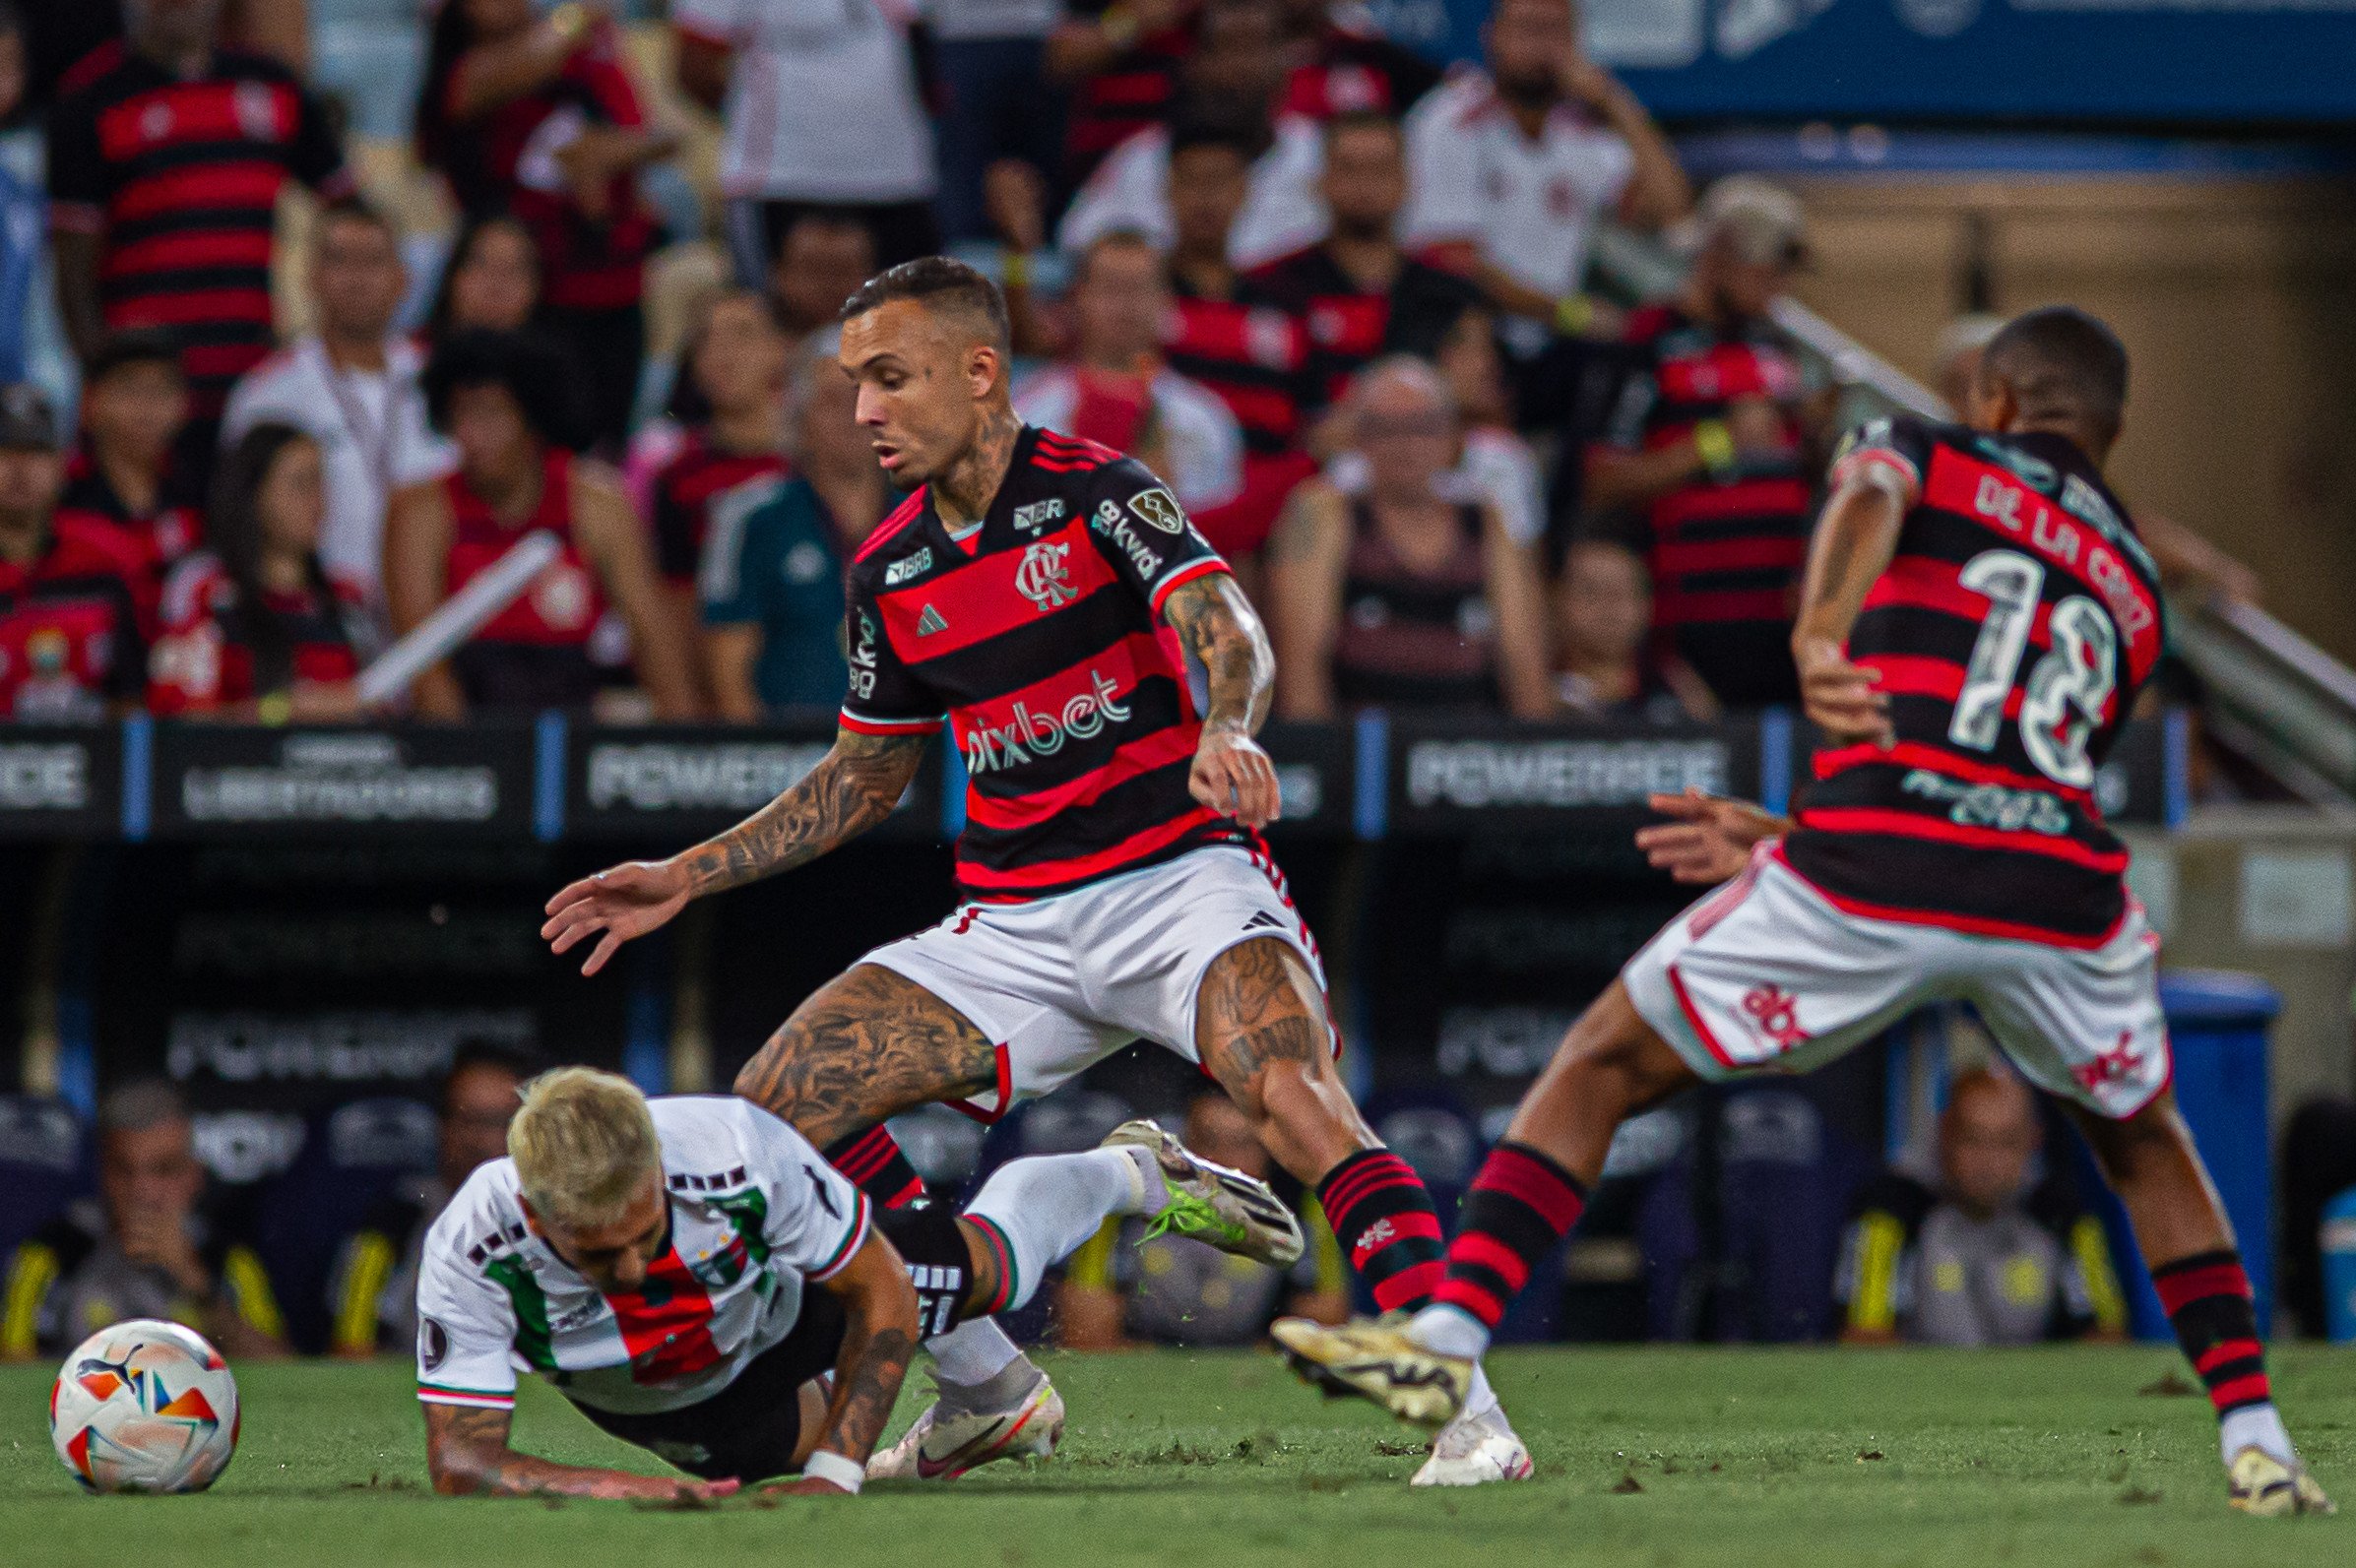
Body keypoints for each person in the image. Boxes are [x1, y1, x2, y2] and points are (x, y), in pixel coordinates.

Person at [1270, 307, 2338, 1515]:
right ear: (2114, 428)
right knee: (2146, 1144)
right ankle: (2255, 1437)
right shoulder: (2134, 583)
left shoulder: (1933, 447)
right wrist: (1791, 834)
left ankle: (1446, 1337)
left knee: (1600, 1061)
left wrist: (1820, 625)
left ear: (1994, 400)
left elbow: (1871, 490)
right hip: (2056, 896)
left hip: (1879, 872)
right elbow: (1998, 783)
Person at [541, 257, 1530, 1487]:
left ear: (978, 370)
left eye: (889, 379)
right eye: (853, 386)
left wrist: (1228, 726)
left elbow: (1226, 627)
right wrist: (687, 874)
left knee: (1295, 1100)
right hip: (1012, 921)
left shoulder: (1100, 492)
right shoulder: (889, 572)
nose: (864, 413)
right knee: (777, 1104)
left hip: (1180, 881)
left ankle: (1467, 1414)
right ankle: (988, 1389)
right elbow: (862, 781)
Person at [414, 1066, 1296, 1495]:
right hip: (676, 1407)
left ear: (656, 1168)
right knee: (776, 1458)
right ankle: (991, 1393)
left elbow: (883, 1295)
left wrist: (839, 1469)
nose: (636, 1270)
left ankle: (1132, 1174)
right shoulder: (472, 1242)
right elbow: (461, 1459)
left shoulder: (726, 1149)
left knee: (980, 1265)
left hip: (785, 1313)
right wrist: (616, 1484)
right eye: (600, 1258)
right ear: (539, 1213)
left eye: (647, 1233)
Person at [47, 0, 352, 476]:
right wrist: (109, 386)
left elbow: (350, 214)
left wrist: (304, 343)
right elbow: (72, 271)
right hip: (146, 404)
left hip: (253, 386)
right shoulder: (91, 98)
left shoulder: (273, 85)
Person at [1586, 178, 1820, 709]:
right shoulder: (1648, 340)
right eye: (1763, 269)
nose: (1777, 286)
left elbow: (1799, 471)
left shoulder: (1775, 346)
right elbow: (1601, 481)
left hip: (1779, 621)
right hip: (1687, 624)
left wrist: (1815, 438)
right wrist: (1717, 442)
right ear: (1715, 253)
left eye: (1783, 272)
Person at [384, 330, 694, 720]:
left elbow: (654, 644)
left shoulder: (597, 505)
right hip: (468, 725)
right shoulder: (421, 511)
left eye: (491, 414)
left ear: (532, 418)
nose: (471, 435)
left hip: (574, 725)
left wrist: (680, 746)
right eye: (461, 413)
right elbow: (425, 670)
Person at [415, 0, 674, 455]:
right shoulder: (466, 69)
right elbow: (510, 71)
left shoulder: (580, 54)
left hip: (611, 288)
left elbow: (655, 134)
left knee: (596, 455)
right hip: (532, 298)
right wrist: (577, 16)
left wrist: (601, 157)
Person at [1268, 356, 1552, 720]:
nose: (1405, 444)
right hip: (1363, 751)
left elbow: (1524, 660)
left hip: (1464, 753)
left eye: (1422, 427)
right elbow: (1302, 665)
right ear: (1360, 440)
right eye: (1386, 428)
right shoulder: (1325, 514)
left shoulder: (1484, 522)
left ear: (1453, 439)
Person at [1400, 0, 1687, 348]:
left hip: (1552, 342)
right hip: (1463, 334)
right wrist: (1568, 313)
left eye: (1555, 32)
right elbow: (1452, 259)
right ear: (1492, 36)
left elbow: (1668, 209)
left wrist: (1614, 101)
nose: (1540, 46)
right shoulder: (1450, 120)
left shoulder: (1582, 133)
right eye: (1528, 29)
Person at [222, 199, 457, 609]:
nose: (357, 278)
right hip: (324, 619)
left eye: (373, 261)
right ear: (311, 277)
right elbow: (240, 520)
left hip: (437, 611)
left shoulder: (444, 382)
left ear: (402, 279)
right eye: (339, 260)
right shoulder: (267, 394)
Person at [0, 1080, 287, 1361]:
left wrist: (197, 1282)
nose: (143, 1191)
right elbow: (11, 1379)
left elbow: (287, 1375)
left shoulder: (228, 1261)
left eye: (164, 1170)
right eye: (124, 1170)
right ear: (100, 1173)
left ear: (195, 1175)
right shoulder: (52, 1254)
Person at [1837, 1069, 2127, 1347]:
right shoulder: (1892, 1212)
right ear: (1945, 1135)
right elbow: (1865, 1339)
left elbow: (2108, 1337)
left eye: (2007, 1143)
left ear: (2033, 1141)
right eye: (1973, 1140)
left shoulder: (2064, 1217)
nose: (1988, 1162)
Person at [673, 0, 938, 286]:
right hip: (782, 180)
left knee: (906, 320)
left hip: (898, 180)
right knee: (775, 320)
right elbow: (695, 69)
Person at [1057, 1089, 1349, 1348]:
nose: (1221, 1162)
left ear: (1268, 1153)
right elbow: (1086, 1334)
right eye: (1207, 1141)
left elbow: (1323, 1332)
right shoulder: (1128, 1193)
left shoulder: (1300, 1200)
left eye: (1242, 1145)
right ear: (1181, 1144)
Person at [700, 329, 889, 721]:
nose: (853, 416)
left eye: (864, 398)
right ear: (799, 416)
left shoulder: (934, 520)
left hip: (917, 763)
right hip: (790, 762)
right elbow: (728, 672)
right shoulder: (751, 517)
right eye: (831, 402)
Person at [1057, 0, 1326, 272]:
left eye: (1257, 48)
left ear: (1285, 63)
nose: (1243, 67)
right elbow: (1076, 241)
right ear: (1196, 64)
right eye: (1228, 47)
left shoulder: (1320, 151)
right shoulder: (1144, 155)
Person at [1249, 111, 1482, 409]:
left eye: (1380, 169)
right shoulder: (1274, 288)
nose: (1365, 184)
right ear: (1321, 182)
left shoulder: (1450, 295)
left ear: (1406, 181)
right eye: (1349, 169)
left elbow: (1472, 400)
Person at [147, 422, 375, 721]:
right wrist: (285, 710)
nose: (317, 500)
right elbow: (179, 721)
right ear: (254, 495)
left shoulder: (347, 598)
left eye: (321, 481)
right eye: (300, 484)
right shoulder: (203, 585)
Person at [1013, 231, 1245, 518]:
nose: (1126, 304)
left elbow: (1221, 534)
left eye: (1139, 289)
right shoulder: (1025, 412)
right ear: (1078, 298)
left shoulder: (1206, 416)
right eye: (1111, 289)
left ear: (1166, 300)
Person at [326, 1041, 534, 1358]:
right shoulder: (399, 1218)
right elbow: (352, 1352)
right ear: (442, 1125)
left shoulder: (564, 1221)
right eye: (467, 1119)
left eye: (499, 1121)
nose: (479, 1139)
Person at [647, 288, 792, 695]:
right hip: (715, 686)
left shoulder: (813, 469)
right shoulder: (678, 478)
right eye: (707, 339)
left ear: (779, 350)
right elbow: (675, 606)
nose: (722, 352)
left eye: (742, 334)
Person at [0, 384, 151, 720]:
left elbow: (132, 694)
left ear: (61, 465)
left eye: (36, 451)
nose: (18, 468)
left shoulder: (105, 558)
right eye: (4, 451)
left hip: (91, 761)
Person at [56, 331, 202, 572]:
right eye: (129, 389)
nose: (147, 408)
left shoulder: (200, 493)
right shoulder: (62, 495)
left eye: (162, 391)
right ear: (89, 403)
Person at [1551, 536, 1712, 722]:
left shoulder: (1677, 695)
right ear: (1557, 598)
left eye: (1622, 591)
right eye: (1591, 591)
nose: (1608, 606)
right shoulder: (1532, 698)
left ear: (1647, 604)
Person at [424, 214, 544, 343]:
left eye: (516, 269)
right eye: (481, 263)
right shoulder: (408, 357)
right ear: (452, 274)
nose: (497, 281)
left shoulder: (556, 361)